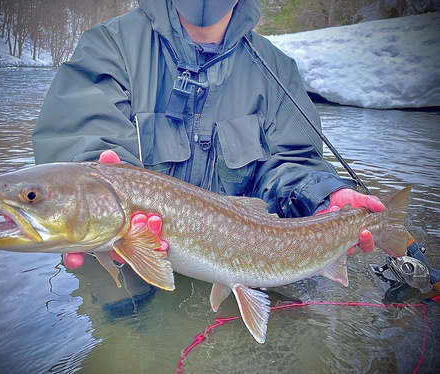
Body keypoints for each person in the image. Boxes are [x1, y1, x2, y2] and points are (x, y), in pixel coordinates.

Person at [32, 0, 382, 273]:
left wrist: (321, 197)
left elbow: (293, 163)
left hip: (248, 261)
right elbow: (80, 148)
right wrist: (94, 187)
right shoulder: (108, 47)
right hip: (123, 266)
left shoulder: (278, 70)